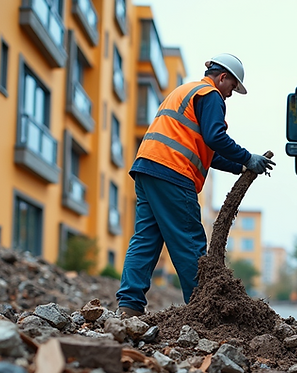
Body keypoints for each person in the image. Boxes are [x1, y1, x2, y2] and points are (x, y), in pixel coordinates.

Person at [116, 53, 274, 317]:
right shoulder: (210, 95)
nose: (231, 94)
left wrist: (242, 166)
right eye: (233, 87)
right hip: (173, 173)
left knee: (145, 240)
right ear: (222, 77)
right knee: (189, 241)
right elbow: (215, 137)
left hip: (148, 168)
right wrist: (248, 156)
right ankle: (204, 310)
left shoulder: (185, 92)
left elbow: (208, 152)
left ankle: (129, 307)